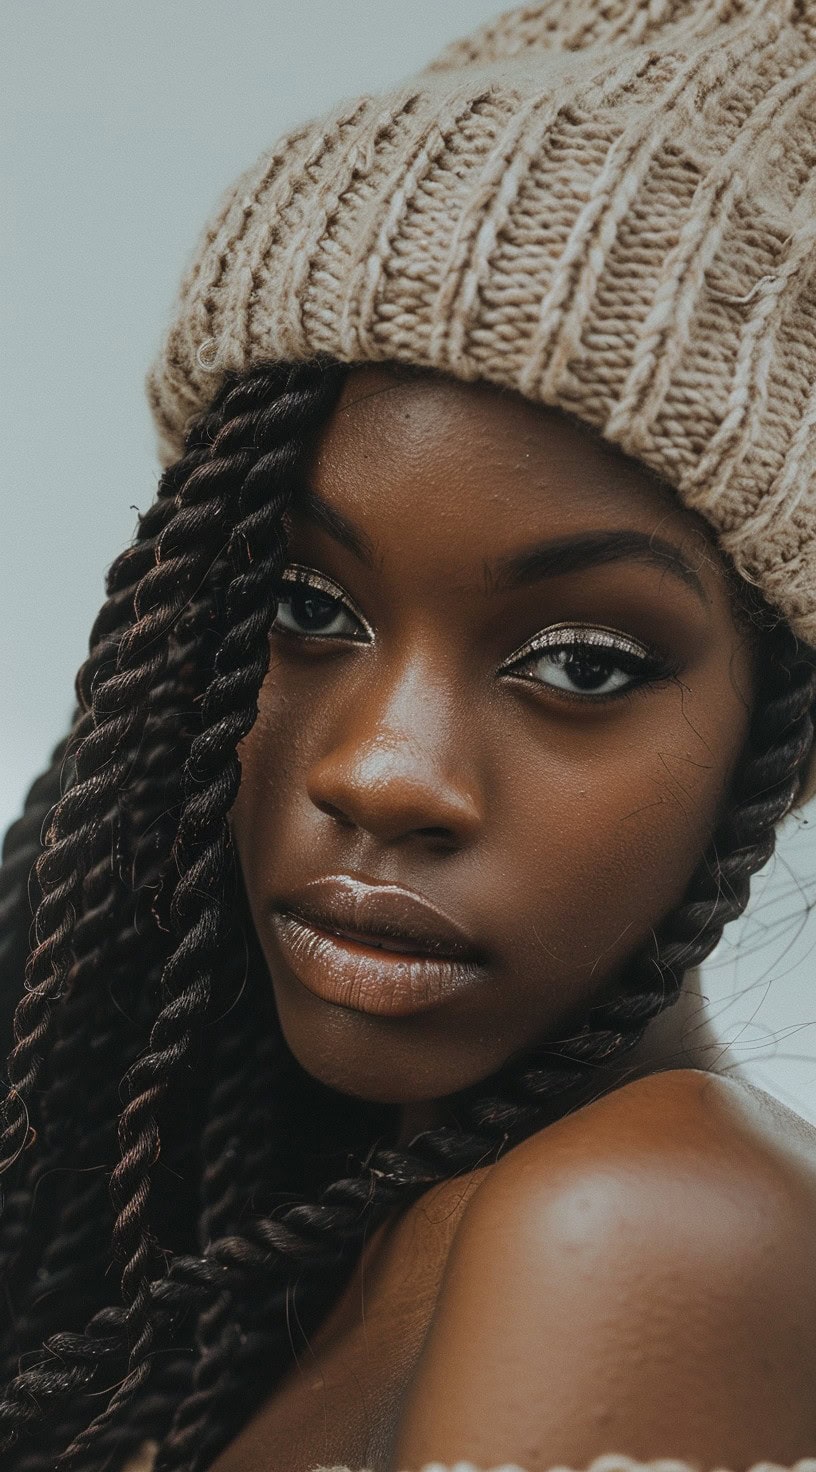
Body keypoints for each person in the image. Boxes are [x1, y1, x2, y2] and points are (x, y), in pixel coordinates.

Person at [2, 2, 816, 1470]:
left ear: (786, 735)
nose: (382, 770)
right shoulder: (265, 1240)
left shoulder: (643, 1229)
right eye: (306, 604)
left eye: (580, 662)